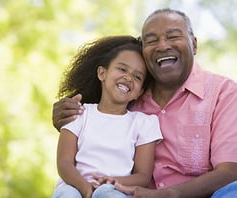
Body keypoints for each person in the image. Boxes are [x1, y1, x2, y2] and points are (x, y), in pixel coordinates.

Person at [52, 8, 237, 198]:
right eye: (151, 41)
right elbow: (92, 128)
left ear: (194, 45)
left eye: (173, 36)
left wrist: (168, 195)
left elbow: (230, 171)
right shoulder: (128, 96)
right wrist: (64, 117)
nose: (163, 46)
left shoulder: (223, 93)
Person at [51, 35, 163, 198]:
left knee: (107, 194)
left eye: (137, 77)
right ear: (102, 73)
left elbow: (143, 176)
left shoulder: (143, 123)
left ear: (139, 92)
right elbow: (64, 163)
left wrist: (112, 181)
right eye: (122, 69)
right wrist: (85, 187)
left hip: (115, 188)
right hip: (75, 184)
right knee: (67, 194)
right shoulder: (79, 113)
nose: (128, 77)